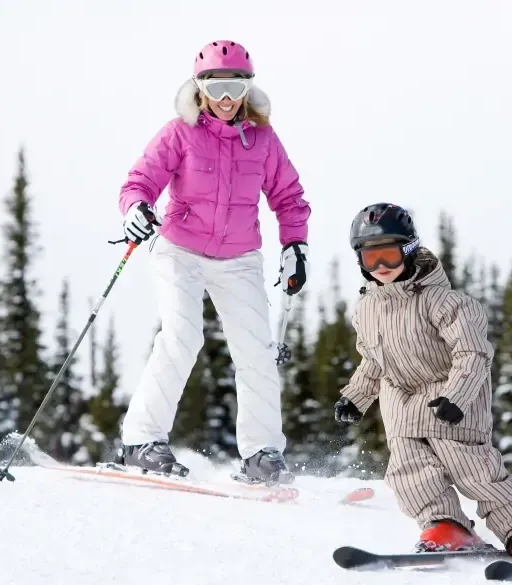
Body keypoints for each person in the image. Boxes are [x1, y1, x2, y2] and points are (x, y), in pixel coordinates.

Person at [115, 40, 311, 486]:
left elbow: (289, 197)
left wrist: (295, 245)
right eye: (216, 87)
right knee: (182, 336)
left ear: (248, 89)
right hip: (179, 249)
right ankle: (142, 441)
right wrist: (136, 208)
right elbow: (140, 181)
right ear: (199, 89)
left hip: (239, 256)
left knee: (256, 350)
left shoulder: (262, 139)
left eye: (235, 88)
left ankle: (261, 454)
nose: (226, 98)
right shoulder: (179, 132)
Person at [333, 203, 512, 561]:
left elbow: (473, 353)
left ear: (409, 250)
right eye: (371, 258)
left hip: (449, 401)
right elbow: (374, 360)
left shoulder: (447, 303)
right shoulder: (366, 309)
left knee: (474, 471)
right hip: (400, 405)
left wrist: (458, 396)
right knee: (409, 472)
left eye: (389, 255)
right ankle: (446, 526)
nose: (381, 266)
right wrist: (356, 397)